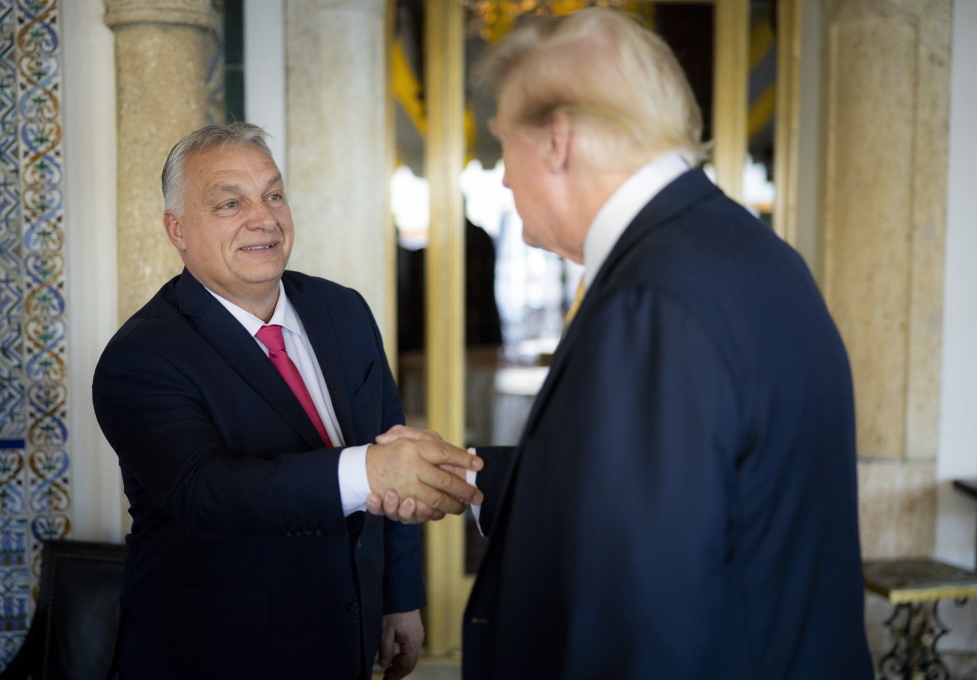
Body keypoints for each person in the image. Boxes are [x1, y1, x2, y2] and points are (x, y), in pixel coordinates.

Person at [370, 8, 874, 678]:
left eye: (503, 144)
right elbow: (675, 485)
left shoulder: (652, 302)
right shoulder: (747, 252)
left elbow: (640, 621)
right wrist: (469, 475)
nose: (506, 179)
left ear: (557, 140)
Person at [92, 122, 482, 680]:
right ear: (176, 229)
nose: (264, 218)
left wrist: (399, 598)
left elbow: (391, 441)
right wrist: (368, 470)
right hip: (219, 655)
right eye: (230, 203)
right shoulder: (142, 357)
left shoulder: (342, 310)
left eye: (274, 194)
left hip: (349, 634)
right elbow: (208, 492)